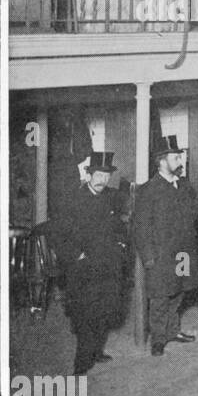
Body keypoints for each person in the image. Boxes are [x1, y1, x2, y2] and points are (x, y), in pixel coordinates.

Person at [50, 151, 128, 373]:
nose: (103, 180)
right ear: (90, 174)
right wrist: (77, 256)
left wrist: (121, 245)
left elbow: (119, 228)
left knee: (104, 310)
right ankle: (82, 361)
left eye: (106, 175)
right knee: (86, 314)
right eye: (99, 175)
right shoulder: (73, 199)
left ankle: (96, 351)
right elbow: (58, 235)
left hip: (108, 265)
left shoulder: (110, 198)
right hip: (84, 269)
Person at [132, 136, 198, 357]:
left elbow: (194, 212)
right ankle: (158, 339)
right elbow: (140, 226)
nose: (180, 161)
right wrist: (148, 256)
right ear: (162, 161)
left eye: (179, 156)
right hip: (161, 255)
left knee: (179, 291)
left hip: (183, 252)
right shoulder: (148, 190)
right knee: (161, 296)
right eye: (175, 157)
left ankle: (173, 331)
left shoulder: (183, 186)